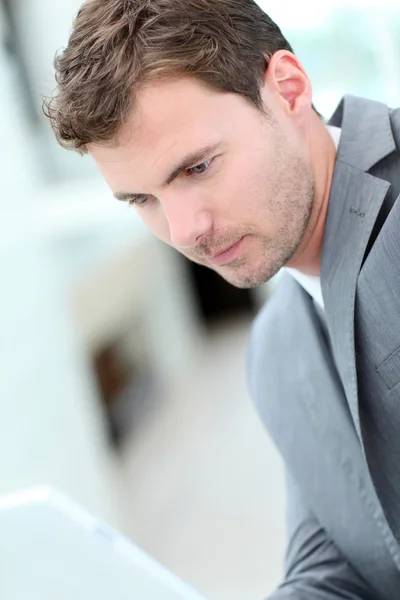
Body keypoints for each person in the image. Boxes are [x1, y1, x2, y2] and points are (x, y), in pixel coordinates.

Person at [43, 1, 400, 598]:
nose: (183, 230)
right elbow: (339, 562)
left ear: (287, 88)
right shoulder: (277, 351)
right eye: (141, 199)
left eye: (198, 167)